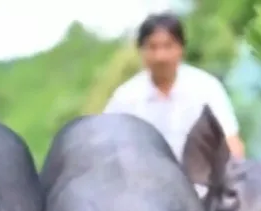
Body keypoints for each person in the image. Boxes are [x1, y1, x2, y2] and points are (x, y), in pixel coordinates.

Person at [104, 12, 246, 165]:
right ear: (141, 51)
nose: (160, 56)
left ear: (181, 48)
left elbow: (231, 141)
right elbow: (104, 145)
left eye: (168, 46)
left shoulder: (206, 88)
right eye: (152, 47)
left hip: (198, 184)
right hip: (143, 184)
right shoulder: (125, 98)